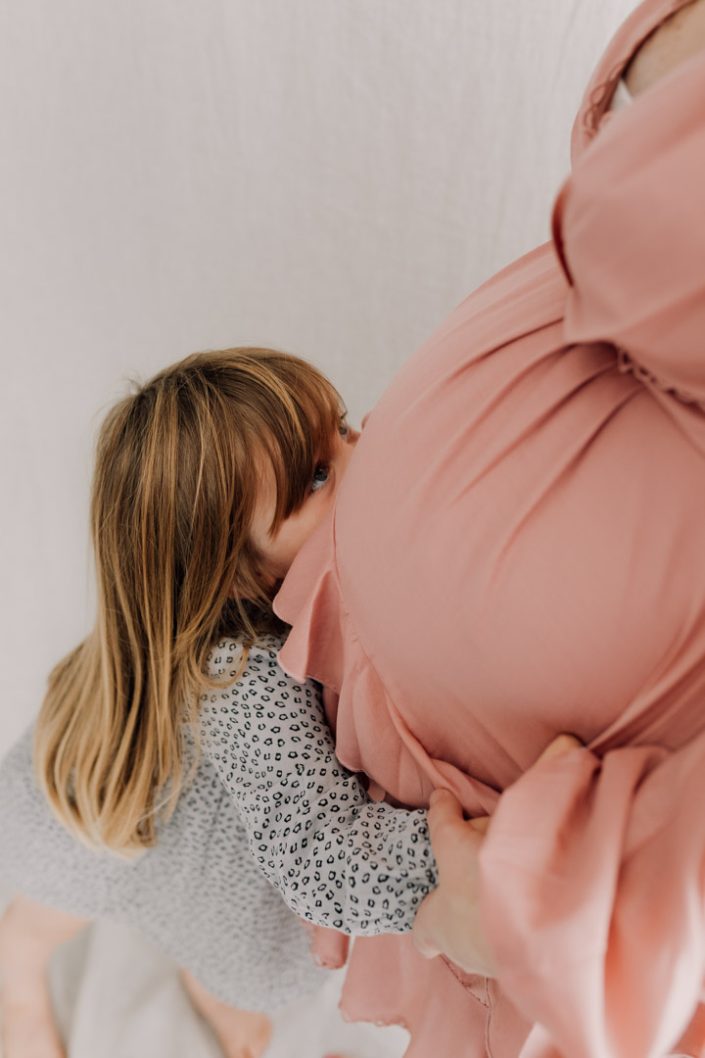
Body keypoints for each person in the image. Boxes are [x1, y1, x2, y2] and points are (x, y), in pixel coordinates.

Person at [269, 1, 705, 1055]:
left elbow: (637, 204)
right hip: (441, 776)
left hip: (540, 854)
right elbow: (625, 187)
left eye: (331, 448)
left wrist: (526, 915)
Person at [0, 346, 572, 1058]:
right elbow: (318, 853)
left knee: (184, 916)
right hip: (94, 802)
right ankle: (15, 983)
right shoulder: (247, 677)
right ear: (232, 578)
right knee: (50, 911)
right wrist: (456, 849)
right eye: (319, 477)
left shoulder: (317, 586)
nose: (364, 460)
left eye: (343, 431)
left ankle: (194, 967)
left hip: (191, 788)